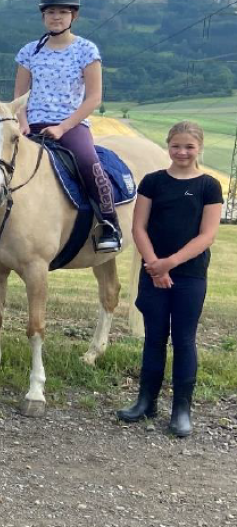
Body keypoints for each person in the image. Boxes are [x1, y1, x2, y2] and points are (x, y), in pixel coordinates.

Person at [117, 122, 222, 437]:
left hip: (189, 275)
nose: (182, 152)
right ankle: (145, 402)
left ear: (199, 148)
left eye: (189, 147)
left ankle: (181, 410)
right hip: (153, 273)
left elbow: (207, 235)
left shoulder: (209, 186)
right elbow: (139, 227)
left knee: (184, 340)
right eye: (176, 146)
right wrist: (154, 265)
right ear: (168, 146)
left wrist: (169, 264)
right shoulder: (153, 182)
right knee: (154, 337)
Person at [14, 0, 120, 252]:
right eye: (51, 12)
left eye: (63, 12)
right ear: (43, 16)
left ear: (74, 15)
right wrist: (22, 123)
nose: (56, 17)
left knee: (88, 162)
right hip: (31, 125)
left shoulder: (86, 50)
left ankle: (109, 224)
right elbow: (19, 97)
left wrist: (62, 128)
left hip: (71, 125)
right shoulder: (29, 52)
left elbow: (94, 98)